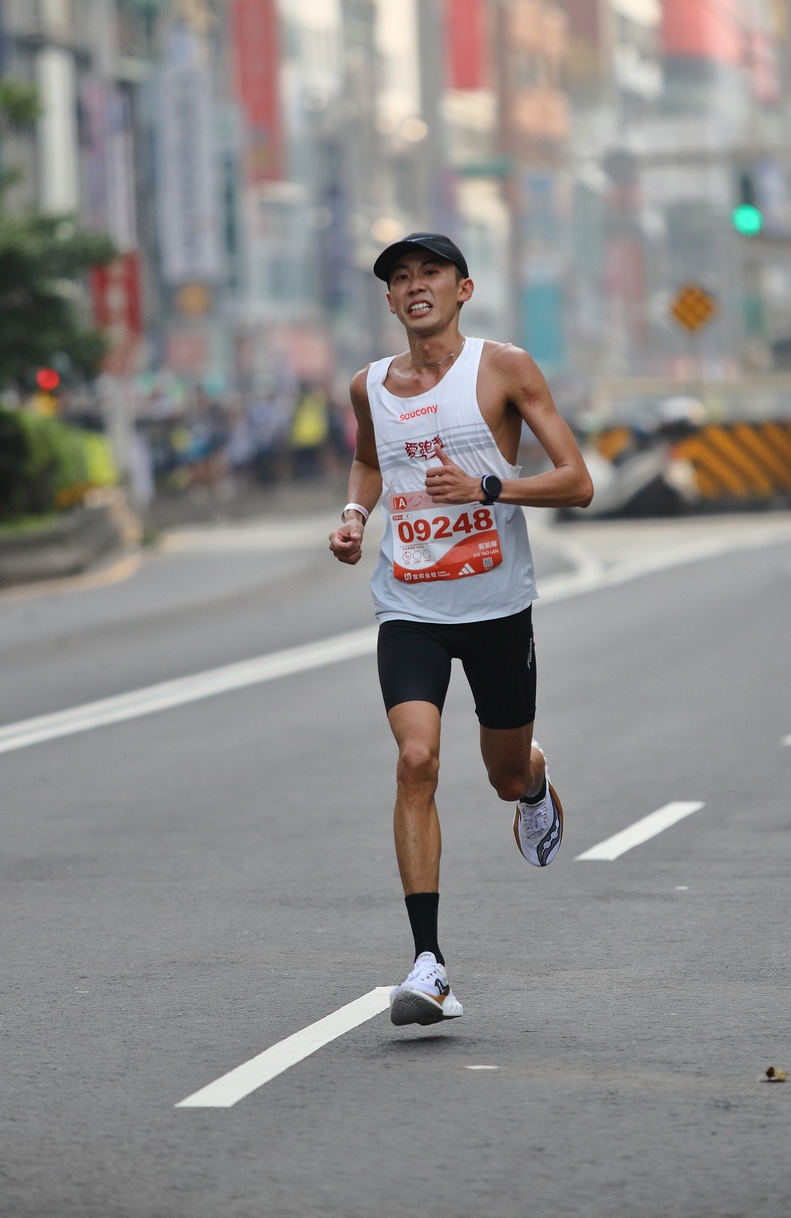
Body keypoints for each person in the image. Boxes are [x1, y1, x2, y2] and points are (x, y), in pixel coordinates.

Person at [328, 232, 594, 1026]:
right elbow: (370, 461)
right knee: (416, 759)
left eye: (431, 273)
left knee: (502, 774)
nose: (416, 286)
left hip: (496, 607)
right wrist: (355, 513)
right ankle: (429, 964)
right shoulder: (369, 386)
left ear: (462, 289)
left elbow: (577, 482)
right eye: (401, 278)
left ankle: (534, 777)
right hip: (409, 604)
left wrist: (488, 487)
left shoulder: (504, 369)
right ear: (389, 300)